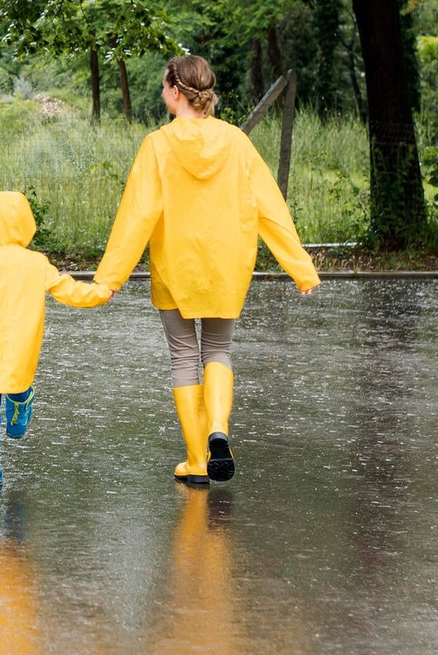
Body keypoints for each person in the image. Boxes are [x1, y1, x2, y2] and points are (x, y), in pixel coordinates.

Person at [94, 55, 320, 485]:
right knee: (218, 352)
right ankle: (220, 431)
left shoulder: (158, 145)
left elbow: (136, 218)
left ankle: (197, 461)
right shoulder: (236, 141)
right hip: (225, 264)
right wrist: (300, 268)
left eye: (164, 86)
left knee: (184, 357)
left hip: (176, 267)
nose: (162, 93)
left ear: (176, 92)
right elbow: (270, 207)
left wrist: (109, 279)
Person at [0, 190, 111, 488]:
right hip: (22, 342)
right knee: (15, 384)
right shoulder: (36, 262)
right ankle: (21, 405)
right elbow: (67, 289)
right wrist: (100, 293)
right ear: (26, 222)